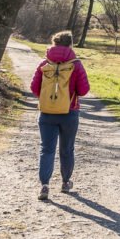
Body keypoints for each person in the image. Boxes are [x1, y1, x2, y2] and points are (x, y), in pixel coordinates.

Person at [30, 31, 90, 201]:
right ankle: (65, 183)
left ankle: (44, 186)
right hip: (69, 113)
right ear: (70, 45)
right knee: (67, 149)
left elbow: (34, 88)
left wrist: (49, 99)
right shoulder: (76, 65)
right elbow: (84, 90)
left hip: (47, 113)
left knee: (46, 149)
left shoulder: (44, 63)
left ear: (53, 44)